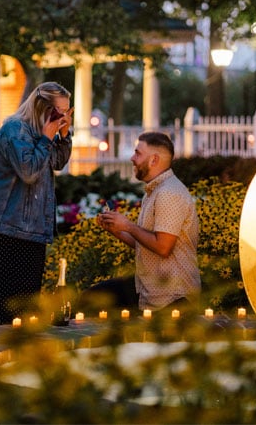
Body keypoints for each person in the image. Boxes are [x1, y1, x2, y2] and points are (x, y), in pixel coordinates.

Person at [0, 81, 74, 325]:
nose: (63, 117)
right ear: (42, 107)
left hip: (32, 228)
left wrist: (63, 136)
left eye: (67, 112)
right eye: (59, 113)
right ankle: (5, 357)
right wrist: (47, 137)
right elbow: (29, 171)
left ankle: (22, 358)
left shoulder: (42, 132)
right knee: (10, 305)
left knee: (29, 304)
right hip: (6, 226)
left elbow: (58, 163)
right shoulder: (15, 130)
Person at [84, 131, 201, 315]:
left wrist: (128, 225)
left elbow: (163, 247)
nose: (132, 158)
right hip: (152, 292)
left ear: (154, 160)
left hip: (175, 299)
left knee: (93, 300)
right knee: (92, 298)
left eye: (138, 153)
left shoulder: (169, 193)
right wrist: (116, 229)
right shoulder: (154, 190)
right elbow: (147, 244)